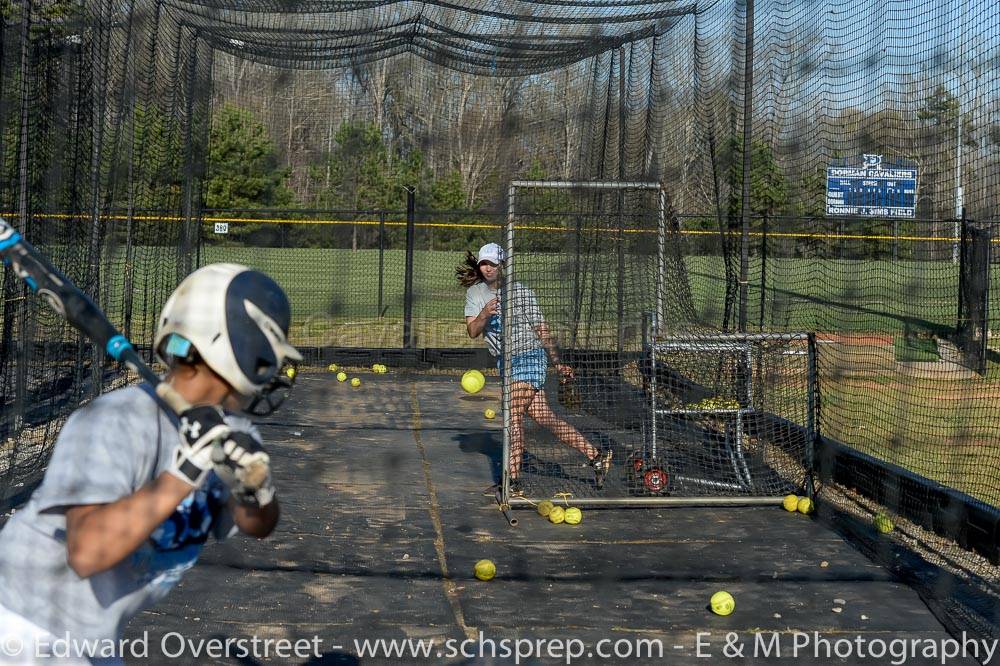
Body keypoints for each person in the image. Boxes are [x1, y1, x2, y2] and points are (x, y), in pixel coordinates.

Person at [0, 263, 302, 664]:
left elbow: (257, 526)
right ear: (246, 348)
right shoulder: (116, 420)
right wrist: (184, 473)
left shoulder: (232, 430)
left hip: (91, 640)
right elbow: (87, 553)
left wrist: (254, 490)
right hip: (22, 626)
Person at [458, 242, 612, 496]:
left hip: (529, 356)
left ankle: (513, 482)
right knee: (545, 418)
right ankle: (596, 456)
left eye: (492, 264)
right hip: (506, 363)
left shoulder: (520, 292)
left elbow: (541, 329)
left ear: (502, 266)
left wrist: (557, 362)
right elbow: (473, 331)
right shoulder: (475, 295)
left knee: (512, 415)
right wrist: (484, 314)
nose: (487, 268)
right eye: (484, 263)